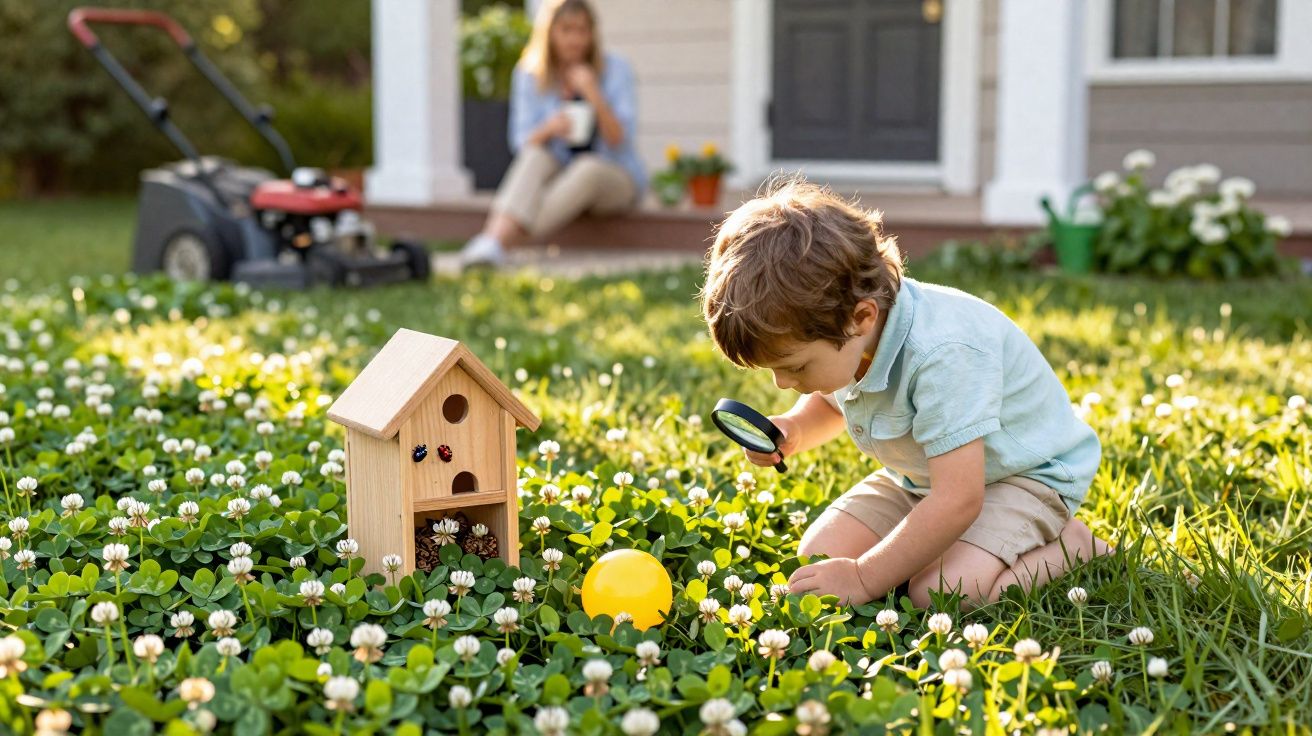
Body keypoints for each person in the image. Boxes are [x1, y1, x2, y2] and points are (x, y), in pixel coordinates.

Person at [698, 175, 1113, 609]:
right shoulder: (856, 334)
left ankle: (1076, 545)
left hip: (1022, 478)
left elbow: (960, 499)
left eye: (796, 367)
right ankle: (945, 549)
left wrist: (863, 577)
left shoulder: (943, 355)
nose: (782, 383)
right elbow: (831, 402)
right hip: (925, 478)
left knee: (941, 594)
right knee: (818, 558)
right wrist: (796, 429)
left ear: (861, 317)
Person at [459, 0, 645, 268]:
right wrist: (550, 128)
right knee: (535, 155)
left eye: (583, 30)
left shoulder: (616, 69)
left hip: (615, 178)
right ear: (549, 32)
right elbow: (521, 142)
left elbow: (620, 139)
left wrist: (593, 92)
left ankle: (497, 241)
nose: (575, 39)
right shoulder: (529, 74)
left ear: (593, 33)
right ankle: (491, 244)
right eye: (566, 30)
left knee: (588, 167)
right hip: (559, 173)